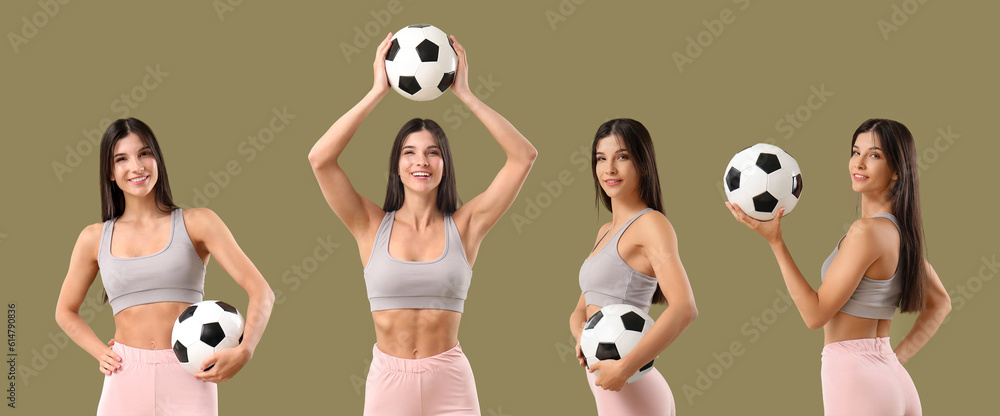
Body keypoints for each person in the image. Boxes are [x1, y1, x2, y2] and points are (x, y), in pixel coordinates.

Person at [308, 33, 536, 415]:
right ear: (396, 166)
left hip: (450, 381)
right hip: (388, 381)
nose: (421, 162)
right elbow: (320, 159)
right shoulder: (369, 224)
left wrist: (464, 92)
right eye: (409, 152)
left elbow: (523, 157)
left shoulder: (466, 227)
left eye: (433, 153)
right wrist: (378, 90)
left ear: (445, 164)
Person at [725, 118, 951, 415]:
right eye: (855, 152)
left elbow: (814, 315)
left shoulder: (865, 233)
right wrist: (892, 361)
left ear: (897, 171)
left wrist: (776, 242)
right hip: (894, 381)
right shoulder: (901, 236)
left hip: (856, 378)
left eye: (874, 155)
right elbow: (941, 303)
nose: (858, 164)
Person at [54, 118, 275, 416]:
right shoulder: (93, 238)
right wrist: (99, 352)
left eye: (145, 153)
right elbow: (65, 311)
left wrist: (245, 349)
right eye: (121, 158)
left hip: (191, 373)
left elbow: (261, 291)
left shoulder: (198, 222)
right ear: (110, 171)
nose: (137, 166)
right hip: (124, 375)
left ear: (157, 158)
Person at [569, 118, 698, 415]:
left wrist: (625, 367)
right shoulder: (604, 231)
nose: (609, 169)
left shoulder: (651, 224)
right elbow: (581, 308)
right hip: (609, 382)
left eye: (622, 157)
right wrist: (583, 337)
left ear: (643, 164)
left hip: (633, 387)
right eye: (601, 159)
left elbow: (684, 307)